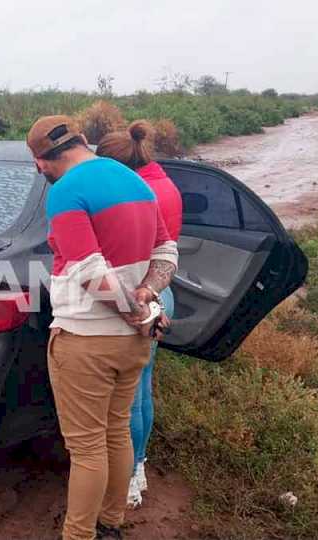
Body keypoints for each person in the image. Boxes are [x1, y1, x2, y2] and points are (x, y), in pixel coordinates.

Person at [27, 115, 178, 539]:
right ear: (81, 141)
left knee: (86, 447)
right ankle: (112, 524)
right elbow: (166, 251)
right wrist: (147, 296)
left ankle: (78, 535)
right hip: (132, 344)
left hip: (86, 341)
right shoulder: (134, 181)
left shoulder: (67, 192)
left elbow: (90, 271)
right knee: (116, 433)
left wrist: (131, 307)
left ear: (41, 161)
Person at [96, 121, 183, 509]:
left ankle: (128, 478)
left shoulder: (134, 195)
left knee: (127, 397)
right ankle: (139, 468)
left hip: (138, 297)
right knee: (141, 389)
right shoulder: (164, 183)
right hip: (162, 292)